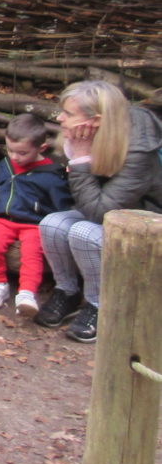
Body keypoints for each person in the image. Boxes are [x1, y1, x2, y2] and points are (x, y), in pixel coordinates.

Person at [36, 80, 162, 343]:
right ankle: (67, 292)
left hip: (150, 224)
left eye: (69, 114)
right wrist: (79, 154)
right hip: (114, 212)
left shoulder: (139, 150)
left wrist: (80, 157)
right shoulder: (96, 135)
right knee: (51, 224)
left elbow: (98, 213)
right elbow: (91, 201)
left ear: (96, 120)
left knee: (83, 231)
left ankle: (98, 304)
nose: (60, 118)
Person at [0, 113, 73, 318]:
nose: (14, 157)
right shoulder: (5, 165)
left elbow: (61, 205)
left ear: (41, 148)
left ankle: (27, 292)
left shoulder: (51, 174)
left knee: (32, 252)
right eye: (10, 150)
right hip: (2, 219)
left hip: (34, 223)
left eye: (22, 153)